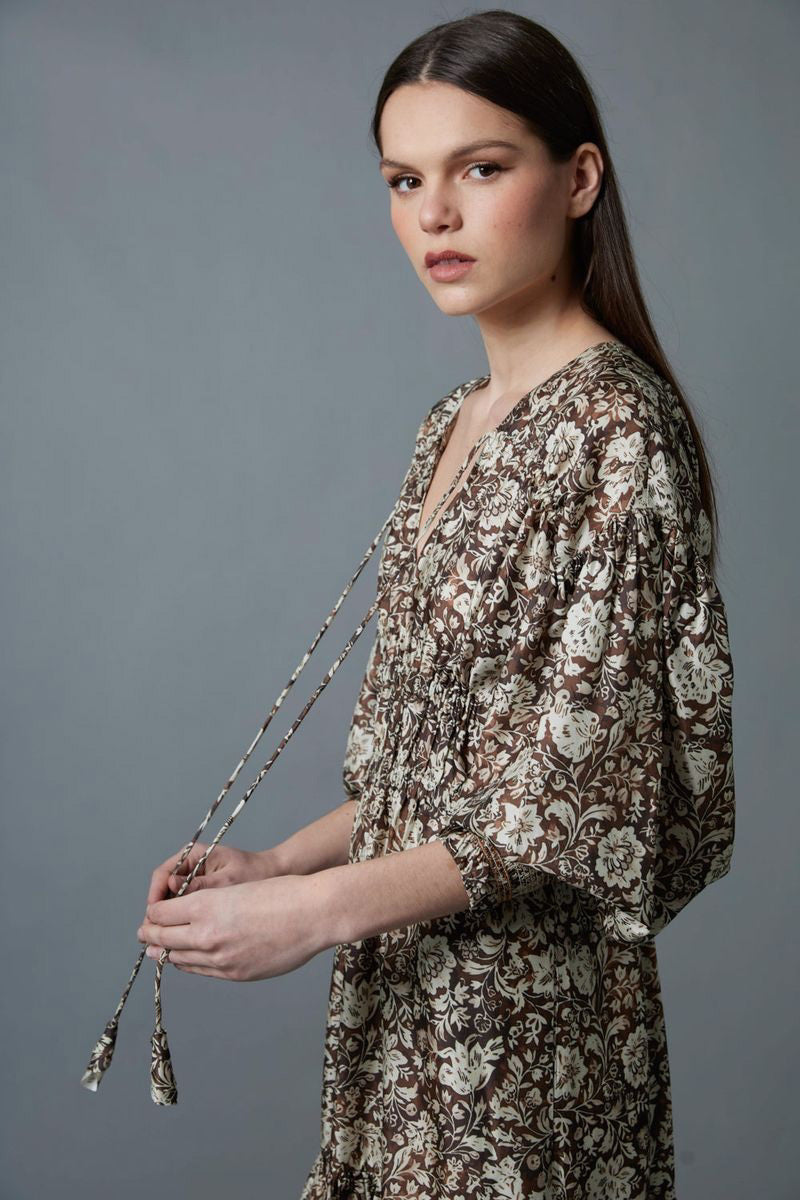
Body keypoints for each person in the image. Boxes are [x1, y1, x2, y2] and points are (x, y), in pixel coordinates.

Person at [137, 10, 736, 1198]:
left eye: (479, 168)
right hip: (404, 1001)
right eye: (404, 179)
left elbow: (571, 798)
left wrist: (313, 915)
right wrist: (275, 863)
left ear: (577, 180)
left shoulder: (615, 433)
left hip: (525, 1034)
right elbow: (442, 768)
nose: (434, 216)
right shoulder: (447, 428)